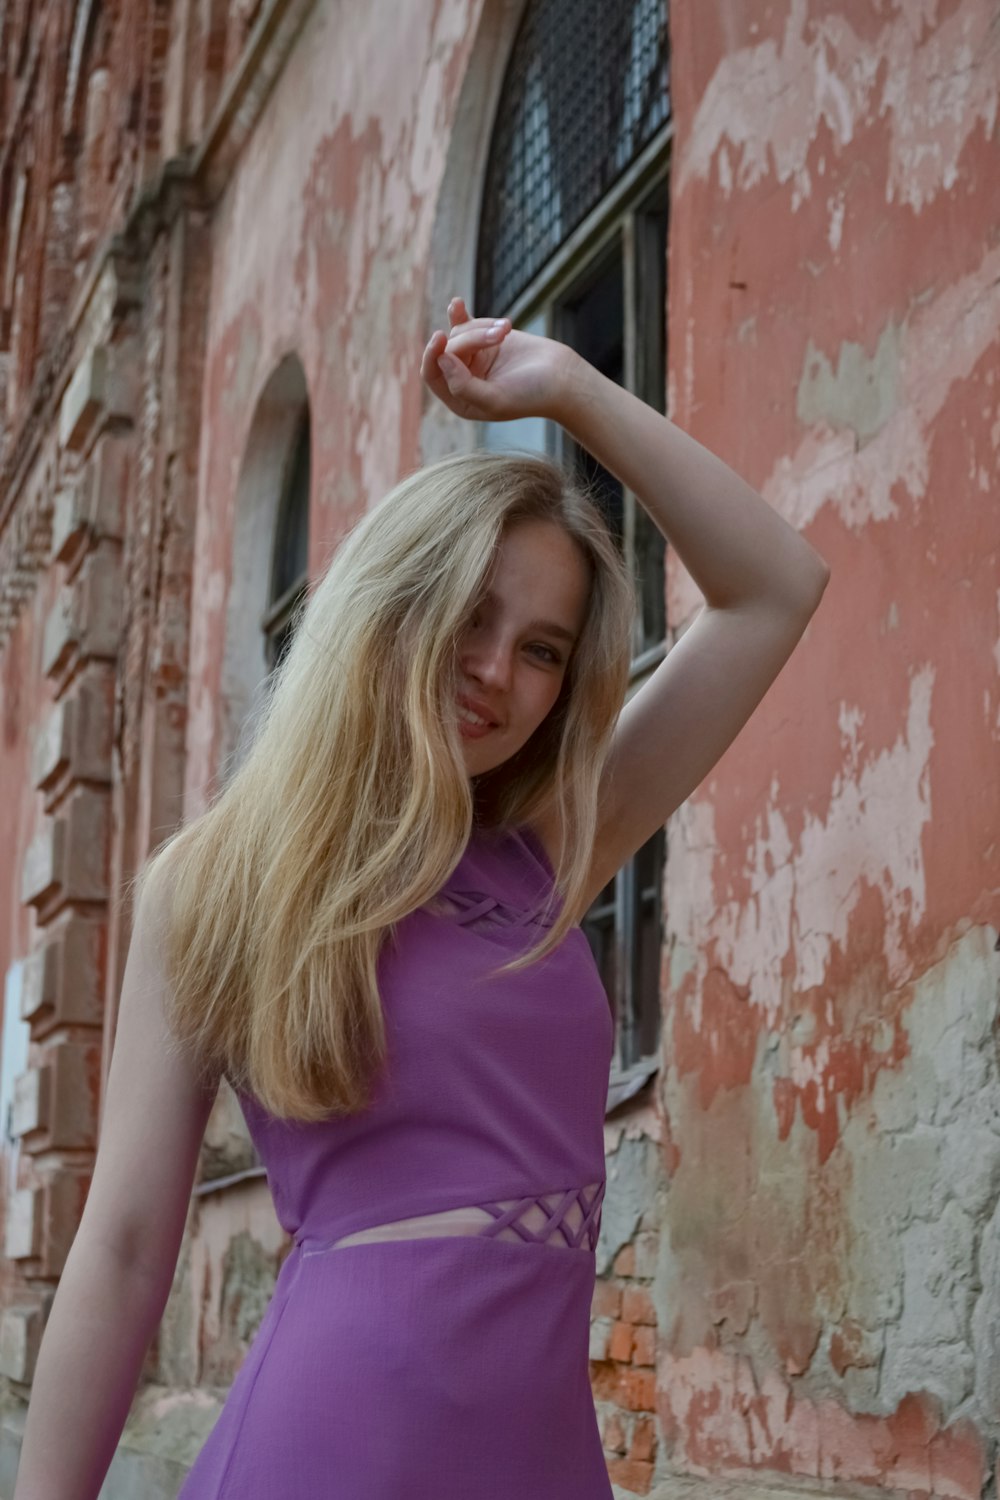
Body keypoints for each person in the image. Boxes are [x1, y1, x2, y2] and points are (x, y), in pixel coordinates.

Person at [12, 296, 830, 1500]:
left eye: (545, 648)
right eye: (471, 615)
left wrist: (569, 392)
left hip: (541, 1456)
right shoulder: (219, 879)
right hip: (332, 1444)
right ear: (390, 606)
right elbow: (127, 1247)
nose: (498, 671)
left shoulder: (549, 846)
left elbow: (774, 588)